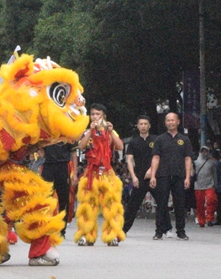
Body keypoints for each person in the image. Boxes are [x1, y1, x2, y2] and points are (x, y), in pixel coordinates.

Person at [74, 104, 125, 246]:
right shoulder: (87, 132)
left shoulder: (110, 131)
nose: (95, 117)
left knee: (111, 205)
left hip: (107, 173)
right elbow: (81, 147)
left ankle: (112, 235)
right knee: (88, 205)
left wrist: (111, 131)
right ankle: (86, 235)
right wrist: (90, 132)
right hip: (91, 173)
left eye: (98, 114)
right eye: (93, 114)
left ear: (104, 116)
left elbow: (120, 147)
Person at [148, 111, 193, 240]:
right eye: (168, 120)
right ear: (165, 122)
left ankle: (181, 231)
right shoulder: (160, 139)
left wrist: (187, 177)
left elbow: (188, 159)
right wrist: (153, 176)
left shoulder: (184, 140)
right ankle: (159, 231)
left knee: (180, 204)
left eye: (173, 120)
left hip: (179, 175)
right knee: (161, 204)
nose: (170, 122)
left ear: (178, 122)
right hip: (163, 175)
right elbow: (156, 158)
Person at [122, 116, 155, 233]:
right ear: (137, 126)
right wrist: (133, 176)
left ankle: (164, 229)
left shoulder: (155, 140)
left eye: (146, 124)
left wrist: (152, 171)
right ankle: (123, 229)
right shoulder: (133, 142)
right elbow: (129, 160)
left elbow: (158, 158)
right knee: (132, 205)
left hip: (154, 176)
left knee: (162, 203)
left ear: (149, 126)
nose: (143, 126)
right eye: (141, 124)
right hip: (139, 177)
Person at [41, 141, 75, 235]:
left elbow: (74, 152)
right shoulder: (47, 134)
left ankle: (61, 229)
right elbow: (40, 148)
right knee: (45, 198)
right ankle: (45, 226)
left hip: (63, 166)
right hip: (48, 166)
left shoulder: (67, 134)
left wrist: (75, 173)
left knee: (63, 199)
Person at [193, 147, 218, 227]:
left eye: (206, 151)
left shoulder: (211, 162)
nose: (204, 152)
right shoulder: (195, 162)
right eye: (203, 151)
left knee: (211, 200)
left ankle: (210, 218)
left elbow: (214, 174)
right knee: (200, 205)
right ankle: (201, 220)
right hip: (198, 186)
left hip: (209, 185)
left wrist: (215, 184)